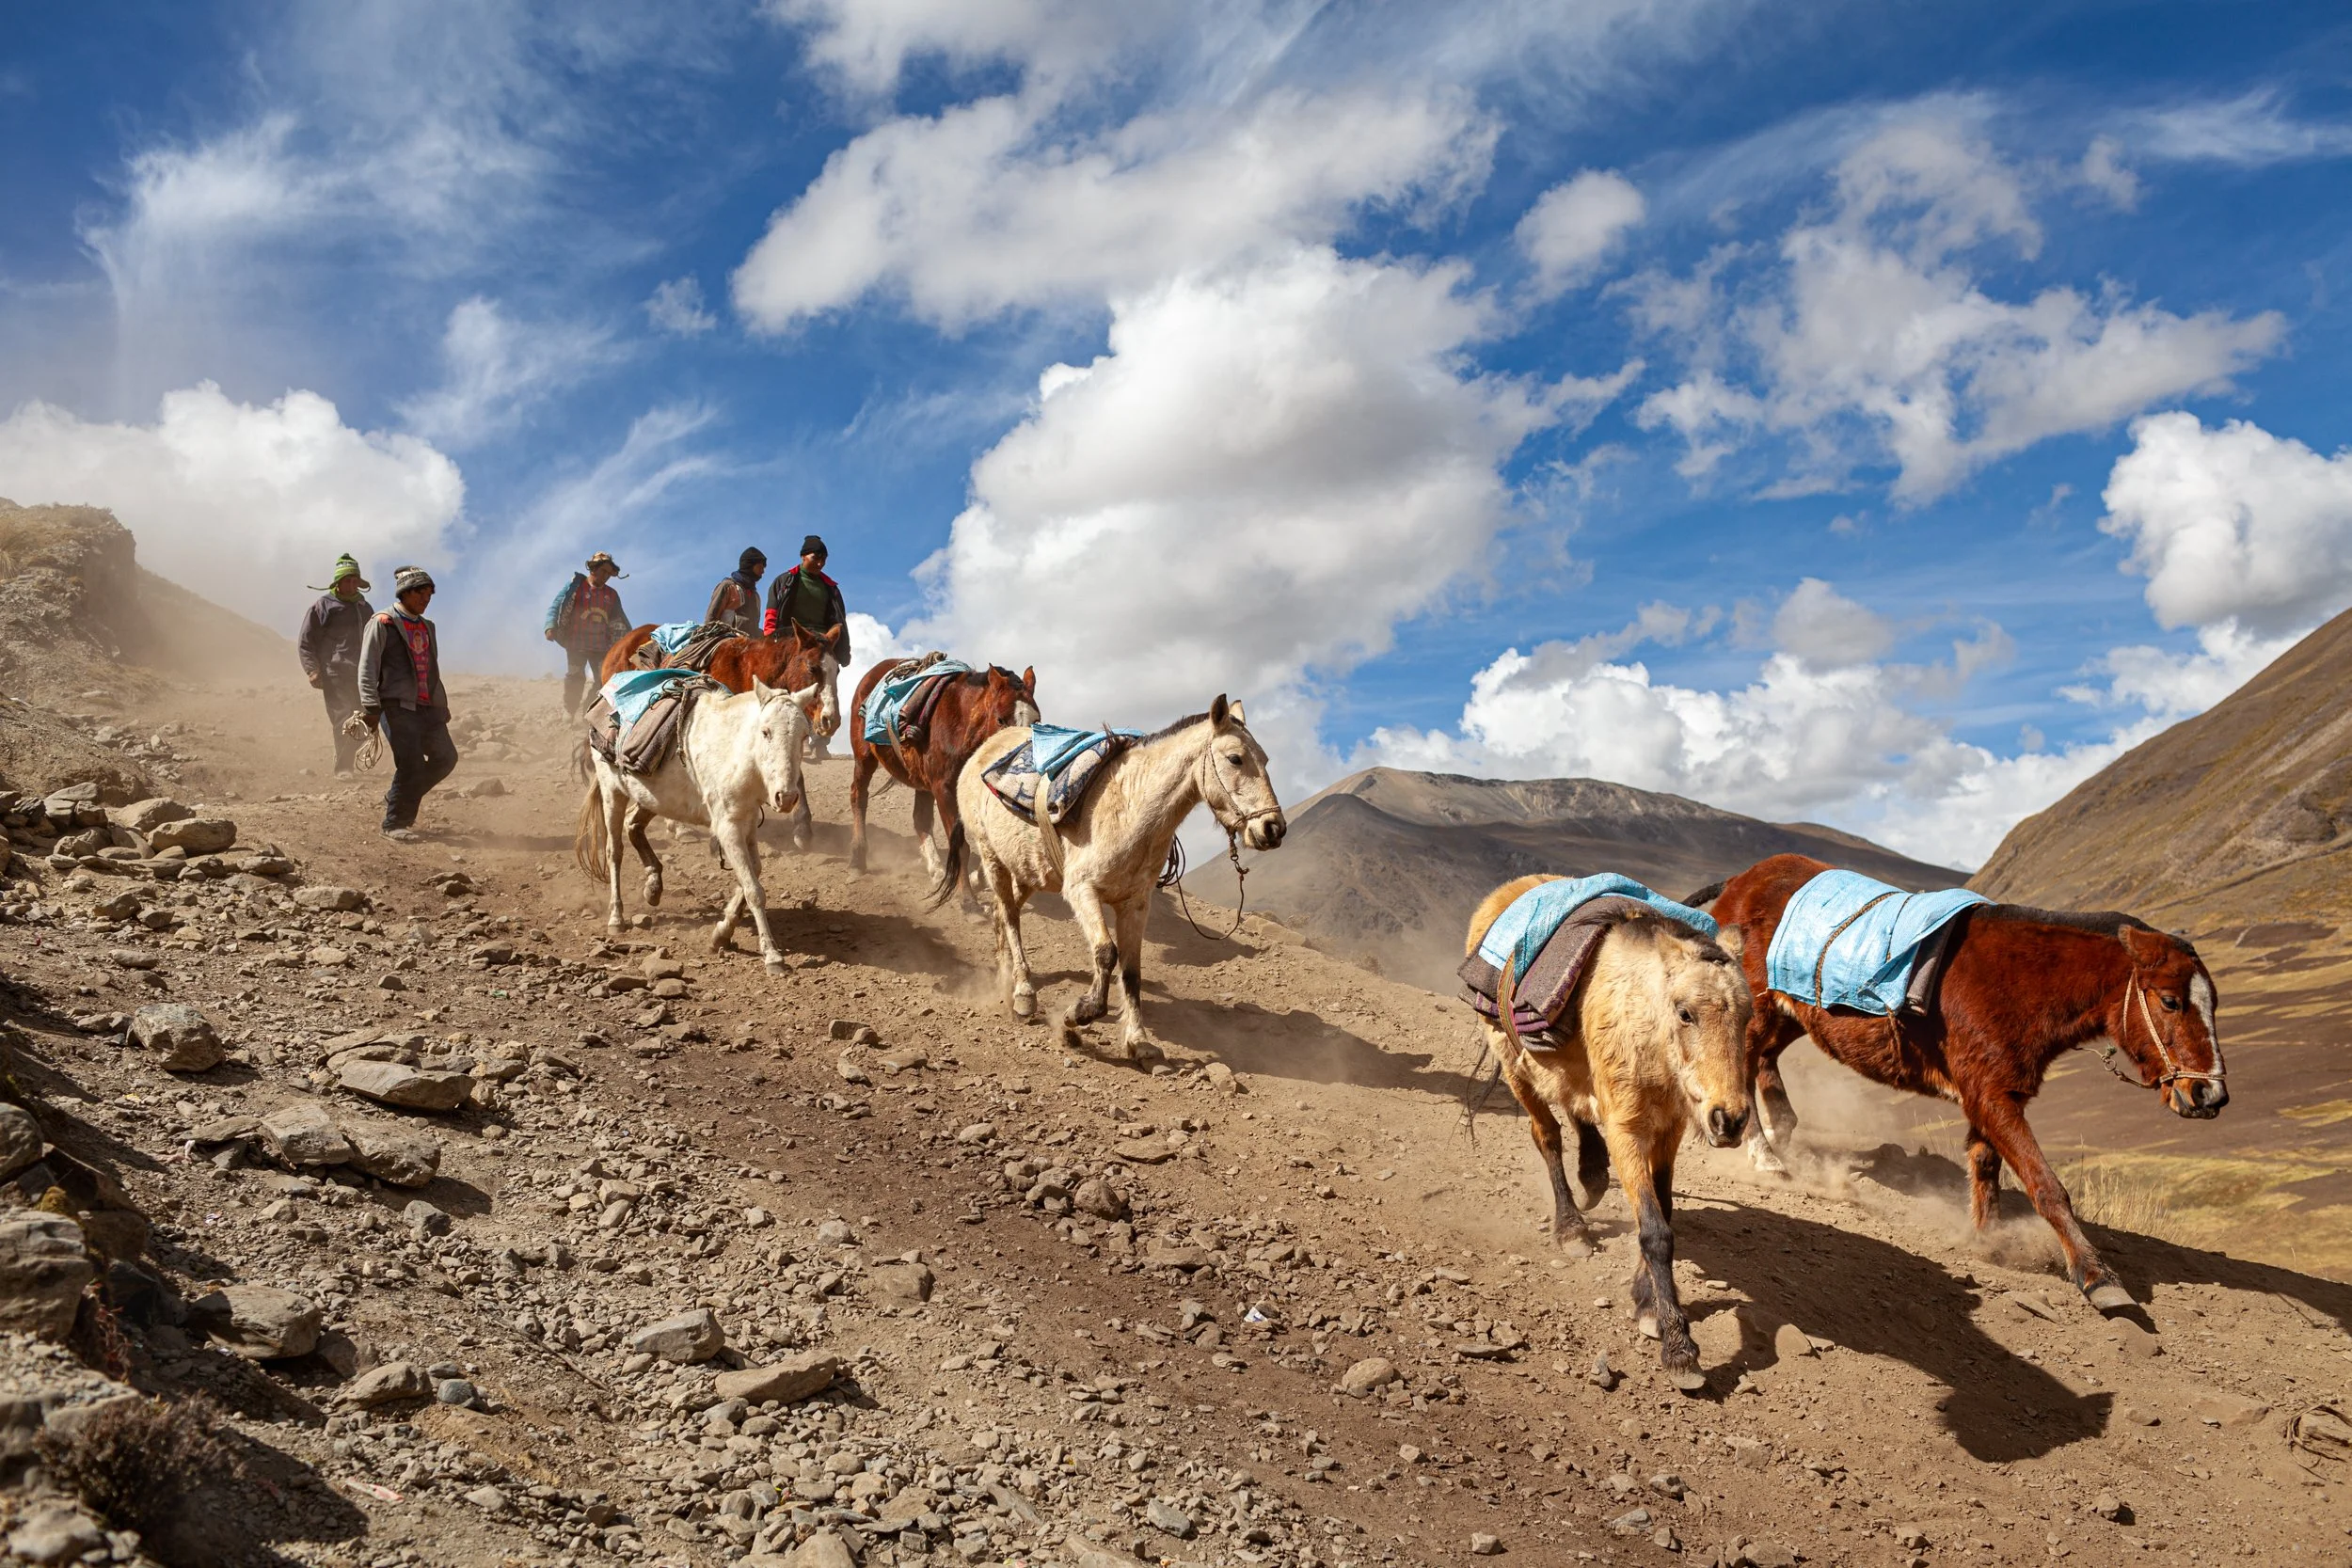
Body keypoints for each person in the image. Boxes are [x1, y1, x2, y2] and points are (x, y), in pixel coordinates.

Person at [358, 565, 457, 843]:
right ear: (405, 592)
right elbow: (367, 666)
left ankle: (398, 796)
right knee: (411, 763)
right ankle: (394, 823)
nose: (426, 600)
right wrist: (370, 706)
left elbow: (431, 668)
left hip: (427, 707)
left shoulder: (428, 627)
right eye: (421, 594)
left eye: (429, 595)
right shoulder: (383, 622)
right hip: (395, 705)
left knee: (446, 758)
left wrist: (441, 703)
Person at [296, 554, 373, 779]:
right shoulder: (323, 606)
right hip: (335, 671)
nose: (351, 585)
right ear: (337, 583)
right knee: (344, 717)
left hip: (362, 672)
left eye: (354, 580)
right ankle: (344, 768)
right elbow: (306, 640)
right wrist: (312, 669)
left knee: (367, 718)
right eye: (346, 580)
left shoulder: (364, 607)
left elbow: (375, 639)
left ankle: (344, 755)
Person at [544, 551, 630, 716]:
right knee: (575, 677)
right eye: (603, 571)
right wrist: (550, 626)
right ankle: (569, 710)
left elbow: (620, 620)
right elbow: (557, 605)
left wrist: (627, 641)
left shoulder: (611, 595)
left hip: (601, 646)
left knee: (602, 680)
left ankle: (587, 713)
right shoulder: (576, 586)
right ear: (593, 569)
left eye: (609, 573)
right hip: (576, 643)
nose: (606, 576)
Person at [762, 534, 850, 658]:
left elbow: (840, 620)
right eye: (816, 558)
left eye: (824, 560)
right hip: (793, 640)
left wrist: (843, 650)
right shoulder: (784, 581)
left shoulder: (831, 588)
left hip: (822, 643)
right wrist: (770, 640)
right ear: (803, 556)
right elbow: (772, 612)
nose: (820, 564)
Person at [705, 546, 766, 637]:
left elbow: (754, 626)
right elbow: (711, 620)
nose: (763, 571)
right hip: (726, 642)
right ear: (749, 566)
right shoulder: (728, 587)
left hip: (749, 645)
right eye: (760, 567)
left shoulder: (756, 596)